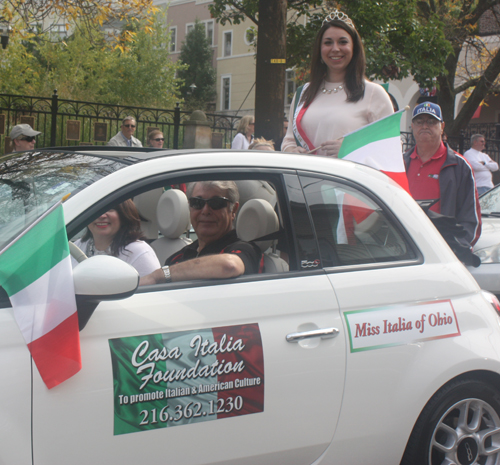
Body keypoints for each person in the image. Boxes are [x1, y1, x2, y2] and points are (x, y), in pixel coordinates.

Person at [281, 9, 393, 157]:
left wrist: (350, 150)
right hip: (307, 178)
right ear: (320, 50)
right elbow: (289, 141)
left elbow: (390, 148)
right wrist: (291, 151)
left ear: (354, 48)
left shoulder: (373, 93)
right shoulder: (304, 93)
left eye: (343, 42)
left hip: (348, 179)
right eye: (328, 43)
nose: (335, 49)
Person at [139, 181, 262, 285]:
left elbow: (229, 266)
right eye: (197, 203)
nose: (205, 211)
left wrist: (158, 276)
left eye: (216, 203)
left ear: (233, 209)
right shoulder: (177, 258)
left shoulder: (245, 249)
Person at [403, 102, 481, 248]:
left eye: (432, 122)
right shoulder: (400, 163)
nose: (425, 126)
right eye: (419, 122)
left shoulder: (460, 166)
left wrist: (456, 250)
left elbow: (471, 219)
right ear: (412, 126)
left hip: (443, 252)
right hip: (406, 250)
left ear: (442, 127)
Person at [73, 199, 160, 277]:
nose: (101, 216)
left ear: (123, 215)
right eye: (96, 210)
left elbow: (150, 293)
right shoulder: (76, 247)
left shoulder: (139, 251)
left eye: (109, 209)